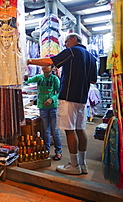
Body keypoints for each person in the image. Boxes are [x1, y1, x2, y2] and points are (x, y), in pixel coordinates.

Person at [27, 33, 97, 175]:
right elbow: (93, 80)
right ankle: (82, 165)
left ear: (74, 40)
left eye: (66, 41)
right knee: (80, 129)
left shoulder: (72, 51)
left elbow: (51, 61)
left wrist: (29, 61)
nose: (65, 44)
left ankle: (74, 165)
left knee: (69, 130)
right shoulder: (91, 57)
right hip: (82, 98)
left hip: (69, 96)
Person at [25, 65, 62, 160]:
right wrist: (24, 75)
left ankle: (58, 151)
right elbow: (27, 81)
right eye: (43, 65)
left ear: (52, 67)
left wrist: (52, 99)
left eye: (47, 65)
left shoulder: (55, 79)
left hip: (53, 107)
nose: (44, 67)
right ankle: (46, 151)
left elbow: (59, 92)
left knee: (54, 130)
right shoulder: (39, 77)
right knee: (45, 130)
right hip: (42, 108)